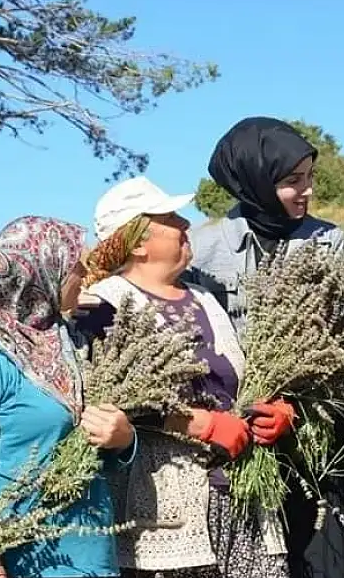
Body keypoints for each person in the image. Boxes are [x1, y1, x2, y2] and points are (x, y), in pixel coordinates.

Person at [74, 176, 289, 578]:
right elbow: (105, 405)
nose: (186, 224)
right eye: (171, 217)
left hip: (242, 498)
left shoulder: (205, 297)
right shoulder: (103, 305)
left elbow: (238, 380)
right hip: (166, 515)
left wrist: (272, 411)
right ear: (139, 242)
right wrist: (200, 425)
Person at [185, 117, 344, 578]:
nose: (306, 192)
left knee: (324, 558)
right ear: (254, 181)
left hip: (313, 436)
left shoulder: (326, 241)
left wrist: (298, 407)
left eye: (309, 178)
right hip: (239, 443)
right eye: (292, 182)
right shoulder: (204, 249)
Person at [0, 216, 136, 578]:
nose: (83, 272)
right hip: (28, 558)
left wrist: (125, 441)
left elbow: (84, 445)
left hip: (91, 548)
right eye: (75, 263)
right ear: (43, 266)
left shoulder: (65, 340)